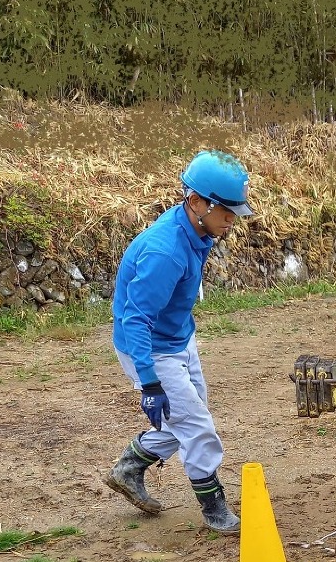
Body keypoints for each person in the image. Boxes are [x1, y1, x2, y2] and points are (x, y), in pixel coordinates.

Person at [104, 150, 254, 534]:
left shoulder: (197, 229)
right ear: (196, 201)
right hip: (150, 347)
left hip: (176, 339)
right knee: (197, 424)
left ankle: (129, 468)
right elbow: (135, 319)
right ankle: (213, 506)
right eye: (226, 211)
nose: (232, 220)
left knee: (185, 418)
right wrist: (150, 382)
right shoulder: (164, 252)